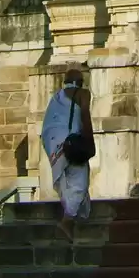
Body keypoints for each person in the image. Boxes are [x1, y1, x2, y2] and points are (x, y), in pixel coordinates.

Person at [41, 67, 93, 240]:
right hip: (72, 143)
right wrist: (90, 143)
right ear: (80, 82)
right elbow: (85, 116)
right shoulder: (82, 94)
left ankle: (69, 218)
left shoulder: (55, 98)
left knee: (65, 178)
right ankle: (67, 220)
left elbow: (49, 126)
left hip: (55, 144)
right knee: (80, 180)